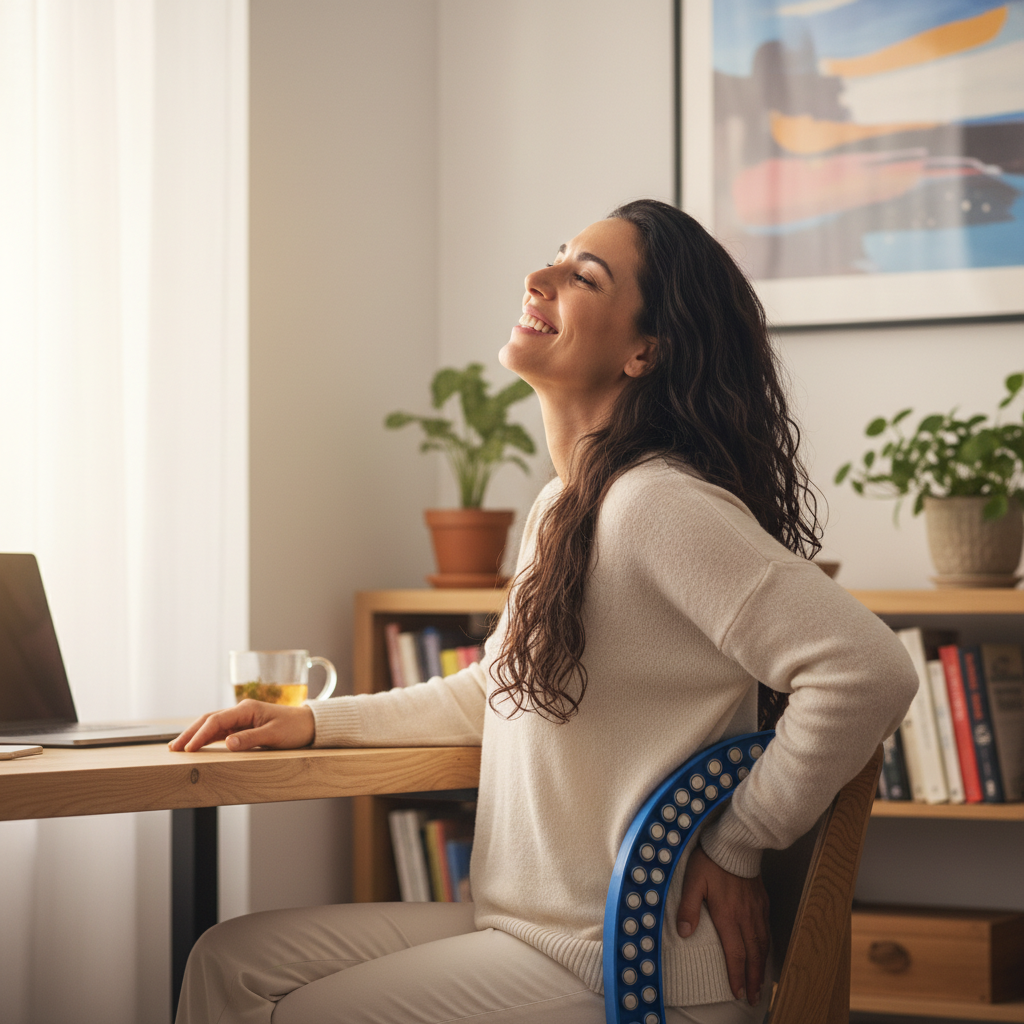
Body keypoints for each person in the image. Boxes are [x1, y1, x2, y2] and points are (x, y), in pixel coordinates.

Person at [170, 199, 917, 1024]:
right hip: (530, 934)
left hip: (628, 960)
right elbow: (499, 689)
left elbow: (866, 668)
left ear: (644, 351)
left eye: (582, 276)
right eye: (556, 258)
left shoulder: (654, 504)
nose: (539, 278)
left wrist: (738, 841)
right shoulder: (567, 507)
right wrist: (316, 723)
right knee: (228, 962)